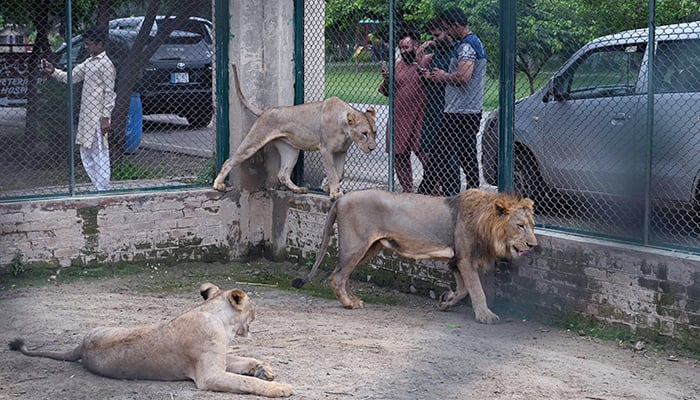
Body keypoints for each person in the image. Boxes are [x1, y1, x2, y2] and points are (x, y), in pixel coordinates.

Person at [420, 7, 487, 196]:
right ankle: (473, 195)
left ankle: (421, 196)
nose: (447, 32)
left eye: (447, 28)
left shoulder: (466, 46)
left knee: (438, 157)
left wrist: (442, 76)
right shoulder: (474, 43)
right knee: (464, 157)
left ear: (456, 25)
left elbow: (464, 76)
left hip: (460, 113)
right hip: (465, 112)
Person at [42, 26, 116, 191]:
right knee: (86, 151)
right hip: (86, 115)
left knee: (100, 152)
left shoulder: (106, 65)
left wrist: (106, 118)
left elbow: (109, 93)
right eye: (86, 44)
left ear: (100, 44)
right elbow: (71, 77)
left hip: (98, 116)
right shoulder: (89, 62)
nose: (86, 47)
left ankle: (103, 189)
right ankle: (99, 186)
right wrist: (53, 71)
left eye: (89, 44)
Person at [378, 30, 430, 193]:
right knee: (399, 156)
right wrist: (388, 80)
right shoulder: (397, 66)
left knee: (426, 155)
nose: (403, 51)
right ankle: (407, 190)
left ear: (415, 45)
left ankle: (434, 189)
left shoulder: (426, 61)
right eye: (401, 47)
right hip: (399, 119)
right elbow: (386, 91)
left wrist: (428, 45)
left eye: (406, 47)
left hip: (420, 117)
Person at [416, 19, 459, 195]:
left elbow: (457, 79)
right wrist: (427, 76)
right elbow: (418, 60)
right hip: (433, 107)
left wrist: (440, 77)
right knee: (431, 152)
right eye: (432, 35)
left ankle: (451, 193)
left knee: (449, 156)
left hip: (448, 108)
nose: (434, 39)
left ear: (447, 31)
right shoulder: (437, 52)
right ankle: (433, 190)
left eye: (437, 35)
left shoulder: (456, 51)